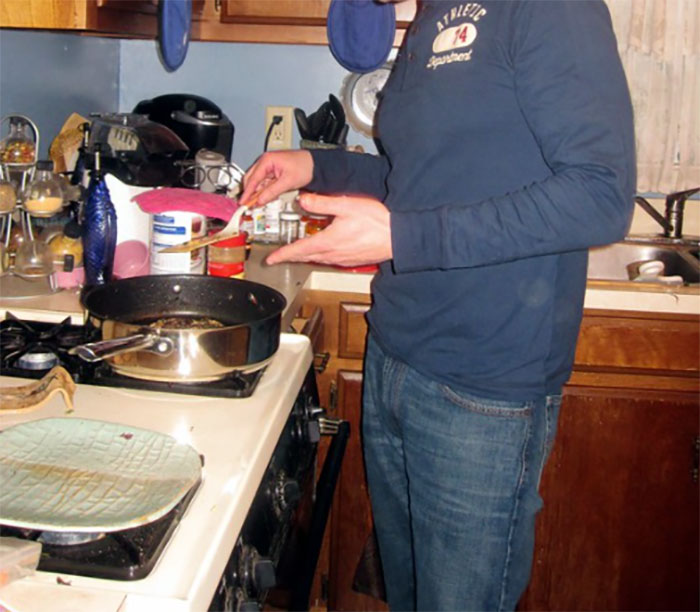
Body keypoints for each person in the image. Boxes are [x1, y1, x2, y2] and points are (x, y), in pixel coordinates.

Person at [241, 1, 635, 610]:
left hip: (484, 388)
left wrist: (404, 236)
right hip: (396, 356)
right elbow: (416, 177)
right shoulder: (433, 17)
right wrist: (315, 164)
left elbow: (601, 196)